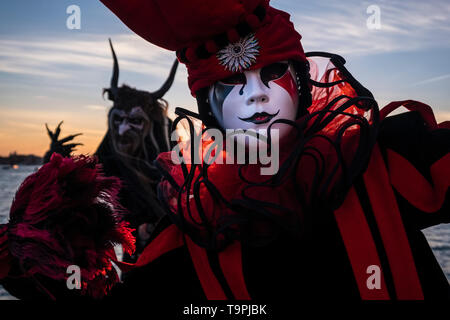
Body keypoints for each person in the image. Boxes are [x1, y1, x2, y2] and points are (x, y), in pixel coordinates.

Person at [0, 0, 449, 301]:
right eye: (232, 83)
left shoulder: (381, 160)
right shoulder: (194, 225)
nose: (256, 96)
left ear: (304, 84)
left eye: (273, 73)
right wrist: (45, 243)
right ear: (207, 107)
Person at [42, 39, 179, 262]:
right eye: (118, 120)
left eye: (134, 121)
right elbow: (72, 193)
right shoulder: (109, 161)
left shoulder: (168, 149)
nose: (123, 129)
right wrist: (56, 162)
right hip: (136, 255)